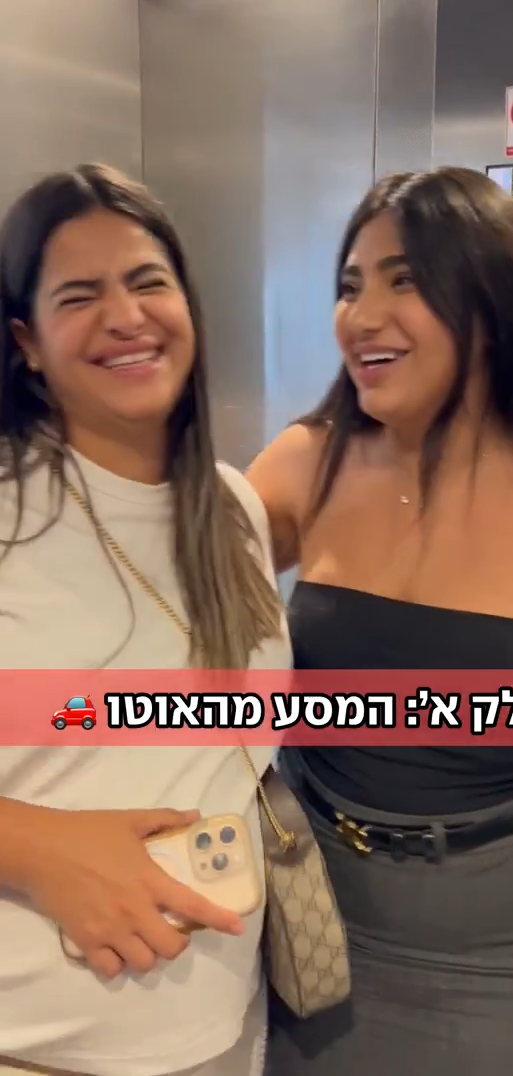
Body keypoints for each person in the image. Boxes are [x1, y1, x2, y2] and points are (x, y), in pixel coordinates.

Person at [247, 166, 513, 1075]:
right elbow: (159, 601)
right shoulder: (307, 463)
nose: (362, 316)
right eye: (350, 285)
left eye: (403, 280)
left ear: (489, 298)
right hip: (315, 929)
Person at [0, 163, 291, 1076]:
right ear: (27, 342)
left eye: (147, 282)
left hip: (226, 1035)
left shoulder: (233, 508)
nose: (125, 316)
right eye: (79, 296)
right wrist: (32, 848)